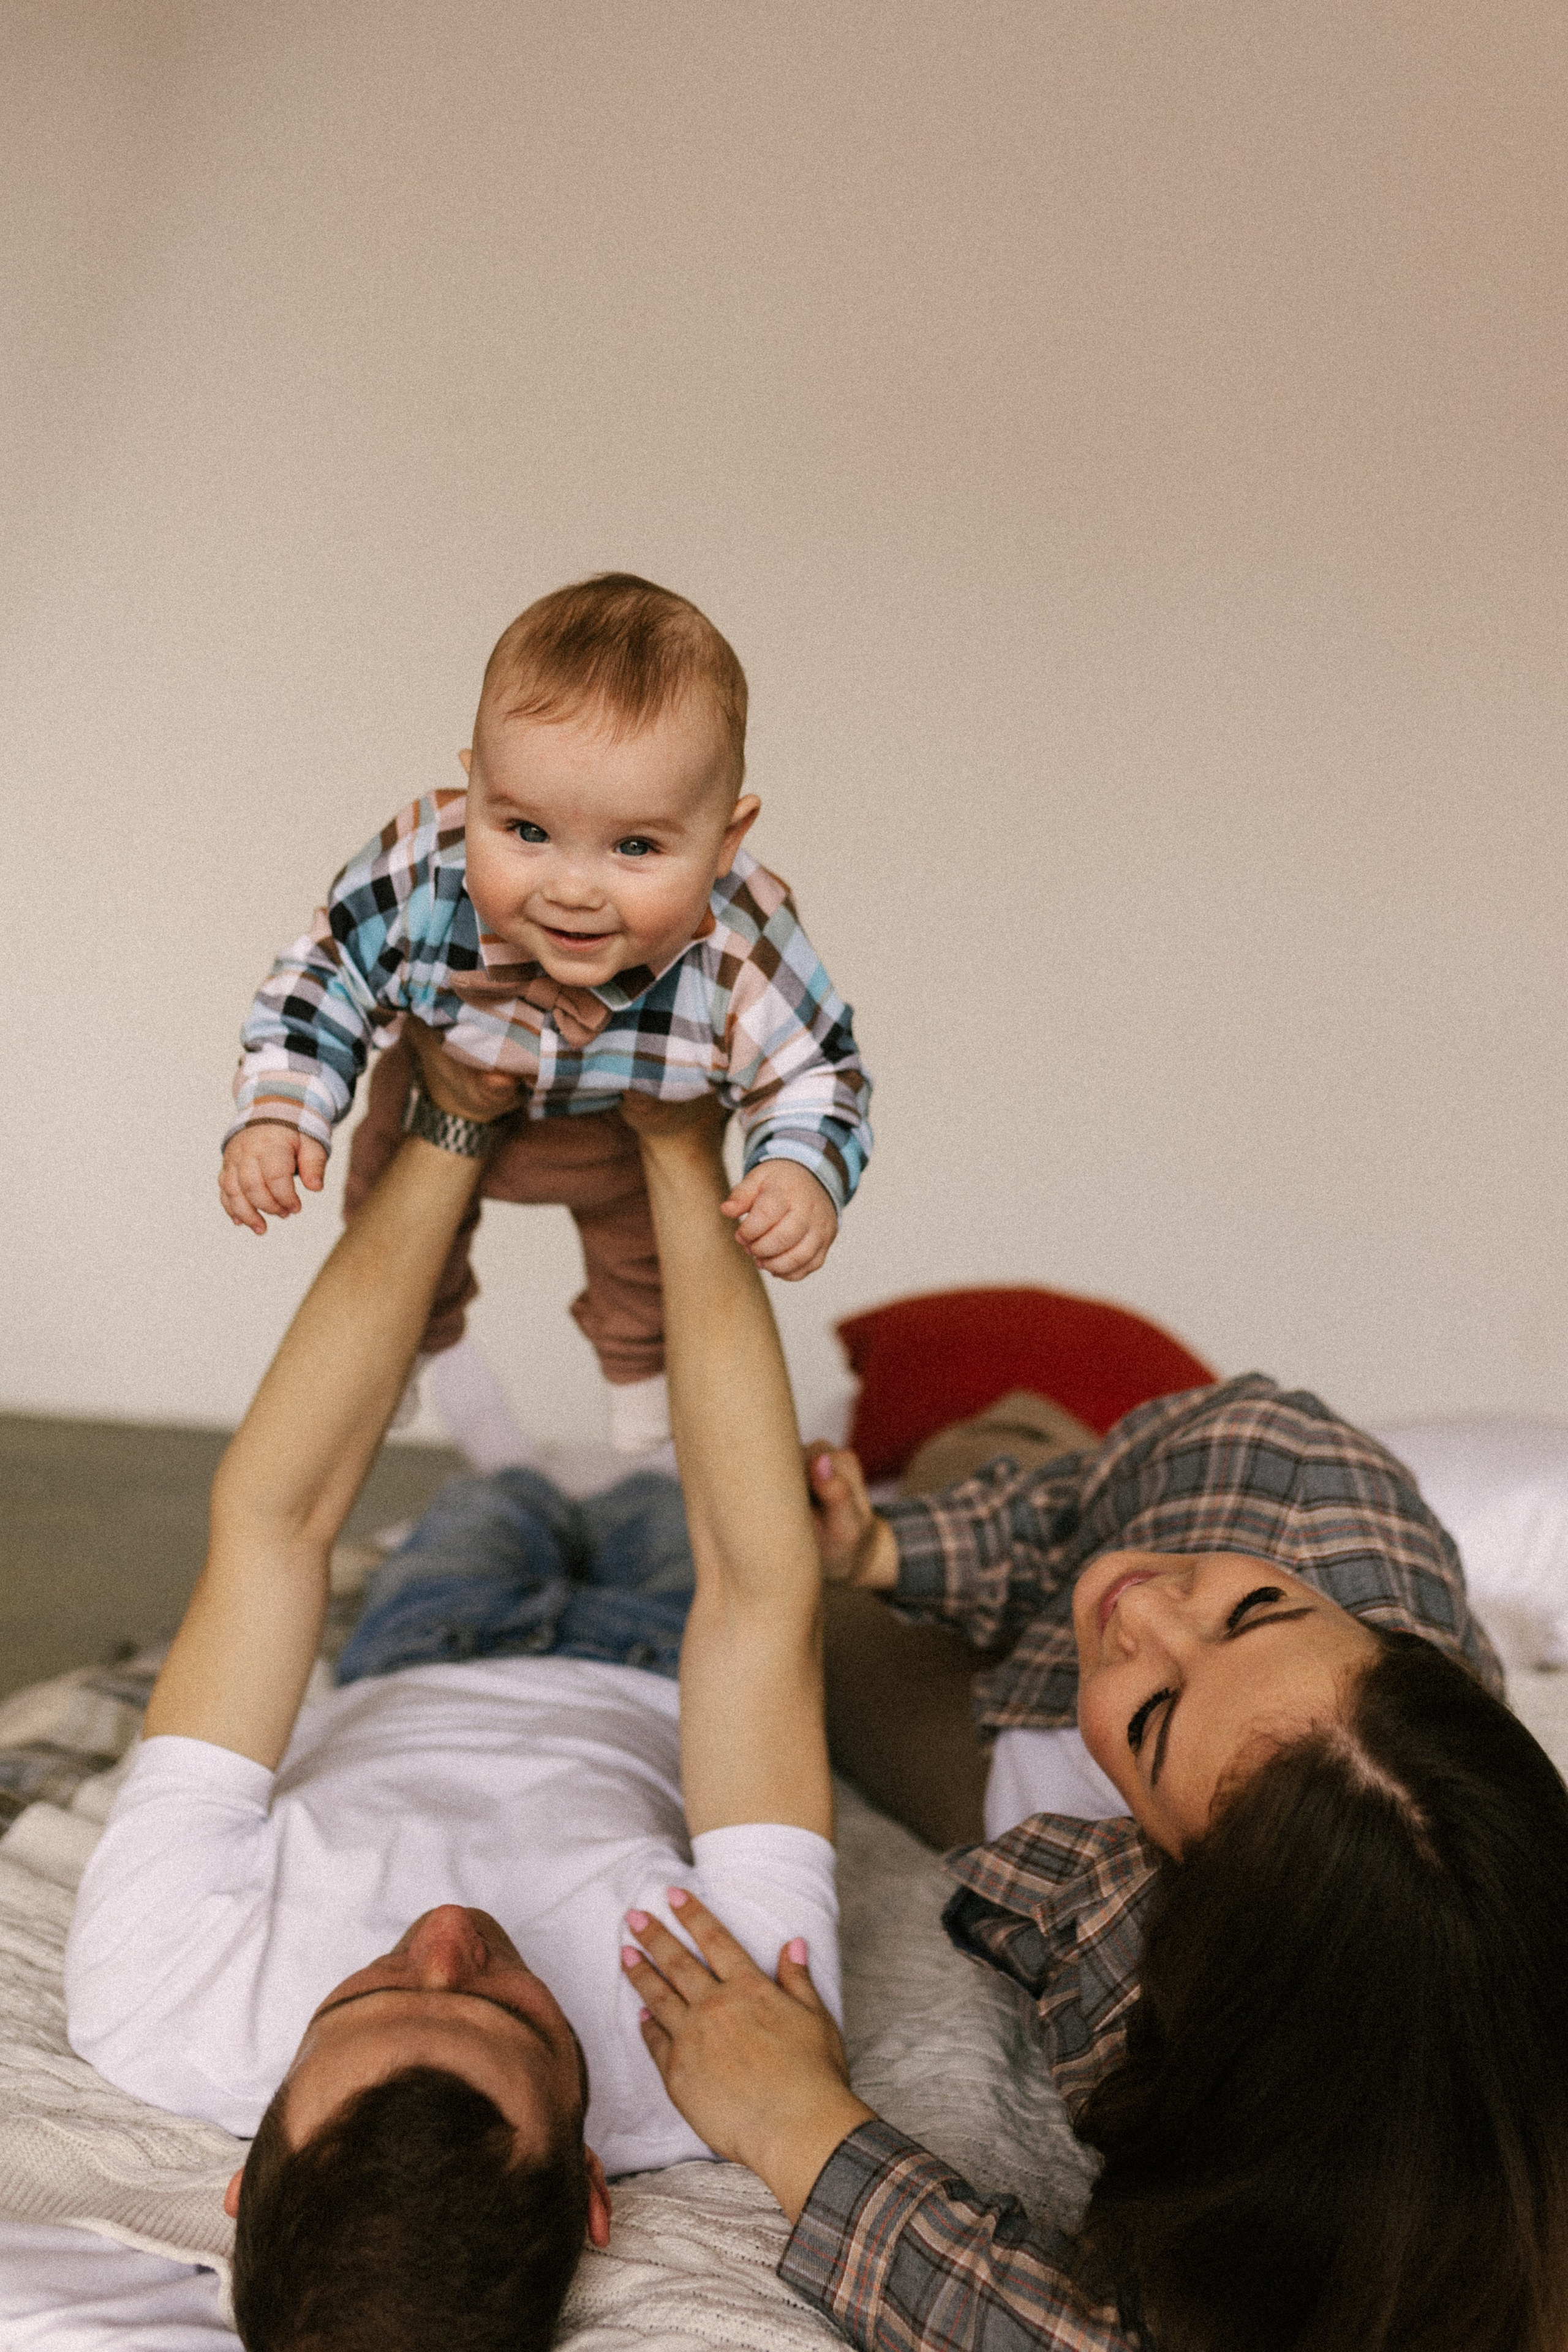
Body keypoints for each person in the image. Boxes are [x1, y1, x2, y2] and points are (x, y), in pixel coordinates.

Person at [65, 1028, 849, 2352]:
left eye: (365, 1997)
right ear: (592, 2185)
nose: (445, 1930)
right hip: (654, 1668)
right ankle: (589, 1459)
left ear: (249, 2168)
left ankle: (523, 1468)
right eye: (506, 2008)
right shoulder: (724, 2058)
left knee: (495, 1506)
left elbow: (274, 1522)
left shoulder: (155, 1998)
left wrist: (450, 1119)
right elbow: (756, 1603)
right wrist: (674, 1143)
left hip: (424, 1655)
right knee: (672, 1509)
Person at [620, 1379, 1568, 2352]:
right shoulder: (1296, 1483)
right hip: (1094, 1505)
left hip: (1041, 1784)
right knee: (971, 1450)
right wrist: (888, 1550)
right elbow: (1127, 1547)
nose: (1151, 1609)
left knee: (793, 1602)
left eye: (1156, 1721)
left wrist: (797, 2124)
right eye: (1256, 1609)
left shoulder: (1180, 1993)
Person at [217, 571, 873, 1453]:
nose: (571, 889)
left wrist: (799, 1169)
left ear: (725, 842)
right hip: (439, 1093)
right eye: (525, 831)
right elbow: (325, 977)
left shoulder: (742, 939)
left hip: (619, 1128)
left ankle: (642, 1380)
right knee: (390, 1217)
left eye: (635, 846)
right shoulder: (422, 866)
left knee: (650, 1253)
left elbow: (815, 1068)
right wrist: (281, 1107)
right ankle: (418, 1344)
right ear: (473, 789)